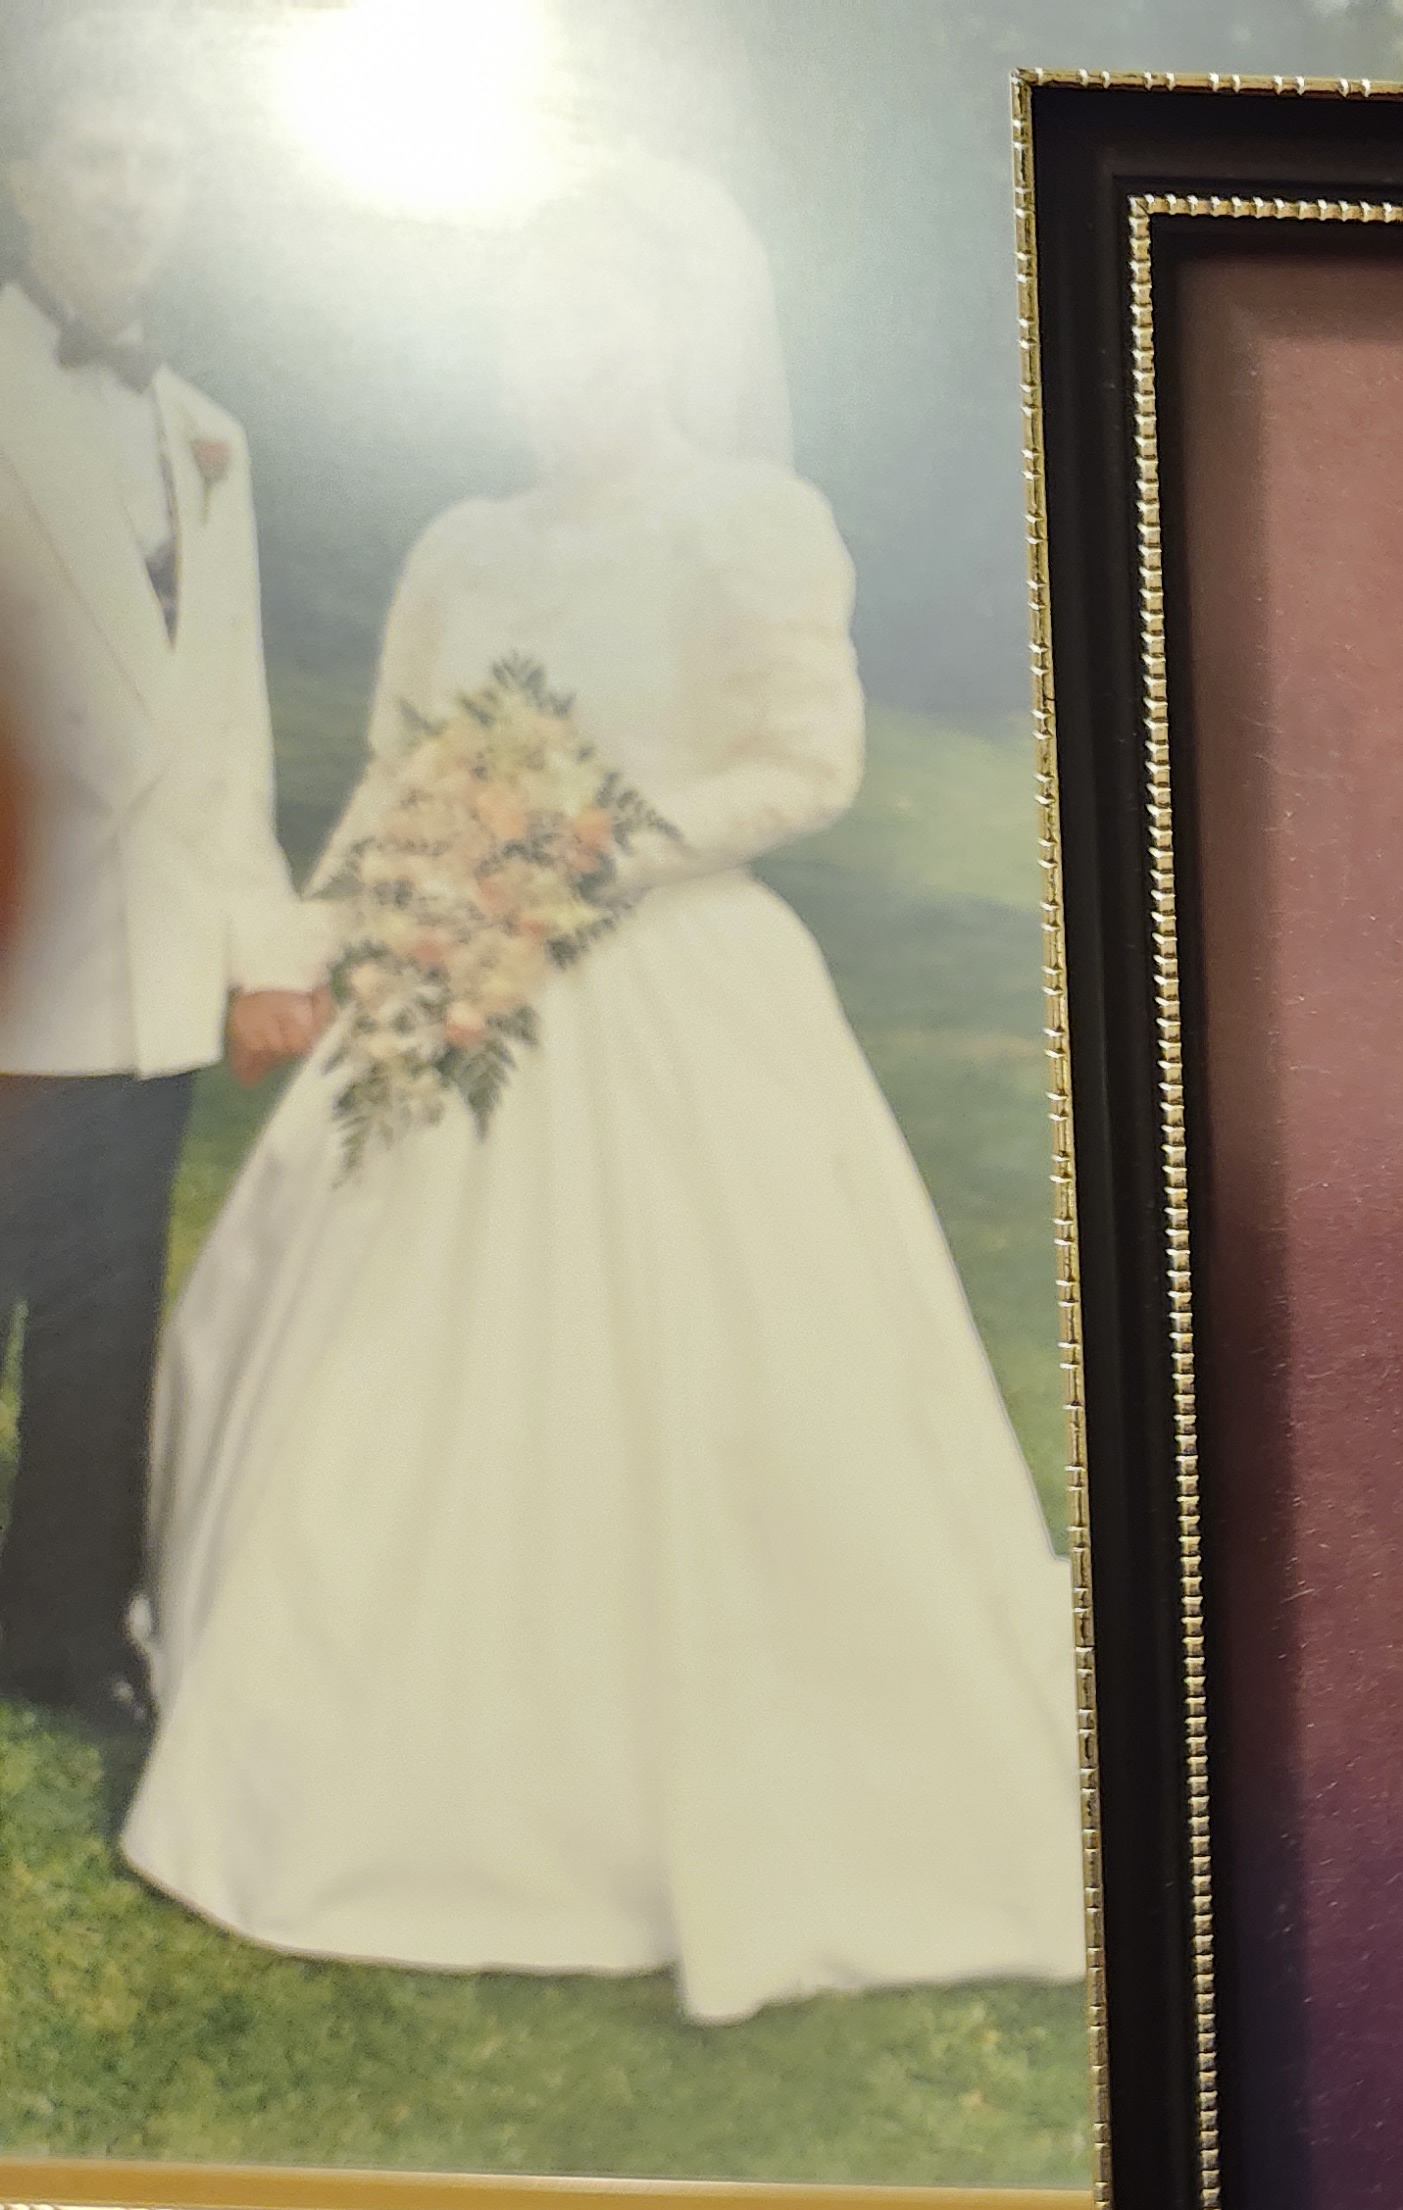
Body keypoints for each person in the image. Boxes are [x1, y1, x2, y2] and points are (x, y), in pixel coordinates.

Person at [117, 159, 1081, 2024]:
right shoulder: (463, 542)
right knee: (357, 1347)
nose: (558, 355)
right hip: (452, 979)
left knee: (701, 1366)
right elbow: (400, 767)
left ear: (674, 334)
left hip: (669, 989)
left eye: (596, 318)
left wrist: (585, 848)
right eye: (533, 319)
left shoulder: (753, 521)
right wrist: (320, 941)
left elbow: (808, 762)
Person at [0, 22, 323, 1736]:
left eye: (162, 166)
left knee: (103, 1308)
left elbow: (224, 721)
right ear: (24, 179)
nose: (130, 195)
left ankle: (62, 1635)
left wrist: (264, 947)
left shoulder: (210, 436)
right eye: (98, 159)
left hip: (145, 958)